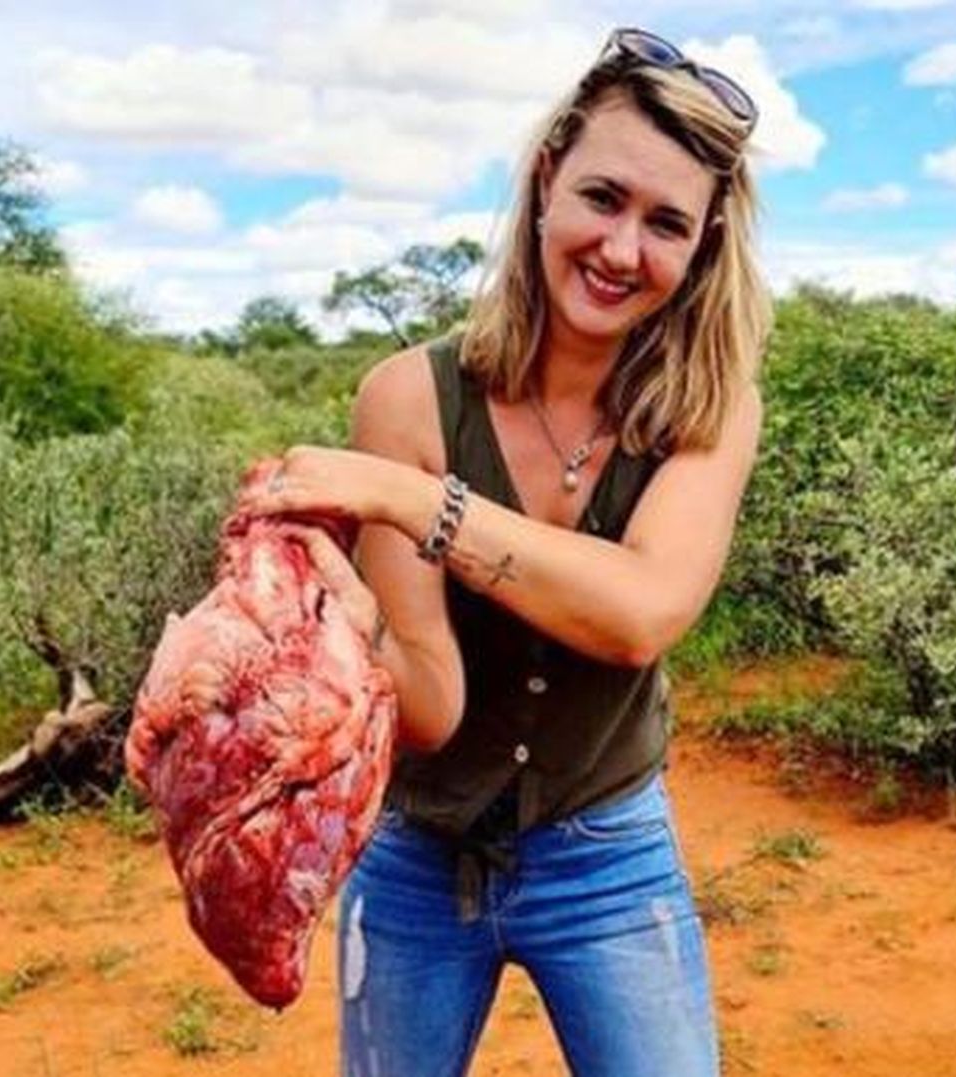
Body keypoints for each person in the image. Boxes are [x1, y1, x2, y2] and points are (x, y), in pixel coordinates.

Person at [242, 25, 769, 1077]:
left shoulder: (711, 406)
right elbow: (429, 708)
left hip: (609, 852)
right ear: (543, 183)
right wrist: (345, 617)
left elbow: (639, 616)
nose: (623, 250)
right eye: (602, 198)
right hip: (417, 858)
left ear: (704, 246)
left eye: (668, 224)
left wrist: (412, 502)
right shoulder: (408, 397)